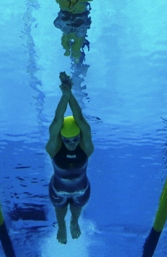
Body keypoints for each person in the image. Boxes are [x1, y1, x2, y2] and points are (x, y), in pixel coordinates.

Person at [46, 72, 94, 244]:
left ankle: (73, 222)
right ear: (61, 138)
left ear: (80, 137)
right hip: (58, 190)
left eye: (76, 139)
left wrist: (69, 95)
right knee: (60, 212)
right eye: (68, 140)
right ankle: (61, 226)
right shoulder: (54, 147)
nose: (72, 143)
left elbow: (79, 118)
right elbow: (57, 119)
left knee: (76, 211)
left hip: (81, 190)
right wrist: (64, 96)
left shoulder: (86, 147)